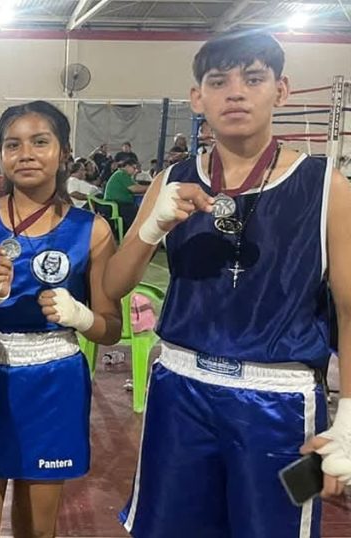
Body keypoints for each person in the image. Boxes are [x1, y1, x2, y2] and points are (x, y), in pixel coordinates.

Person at [107, 31, 351, 538]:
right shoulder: (172, 179)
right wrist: (154, 226)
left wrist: (348, 422)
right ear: (199, 98)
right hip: (178, 392)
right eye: (218, 82)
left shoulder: (329, 185)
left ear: (280, 90)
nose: (235, 93)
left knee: (278, 527)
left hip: (282, 404)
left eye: (253, 78)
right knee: (167, 529)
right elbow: (113, 284)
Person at [0, 101, 121, 538]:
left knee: (38, 529)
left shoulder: (92, 229)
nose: (26, 153)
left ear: (64, 153)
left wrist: (79, 316)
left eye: (40, 142)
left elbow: (111, 328)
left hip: (54, 383)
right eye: (13, 144)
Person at [102, 156, 146, 230]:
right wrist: (151, 187)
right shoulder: (122, 174)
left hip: (120, 203)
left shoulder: (126, 176)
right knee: (136, 215)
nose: (135, 171)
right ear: (127, 166)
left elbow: (136, 186)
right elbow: (134, 189)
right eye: (134, 168)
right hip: (116, 204)